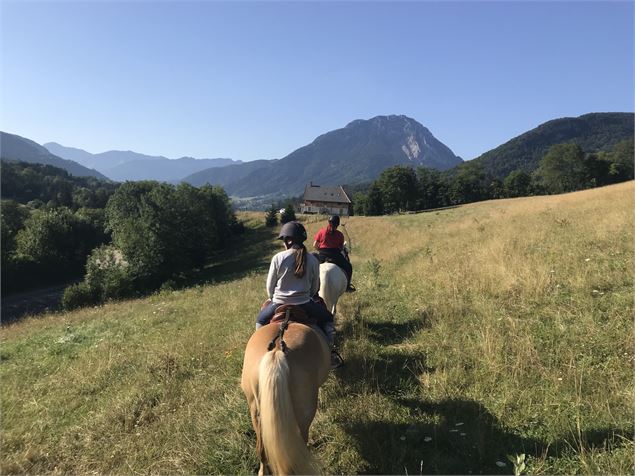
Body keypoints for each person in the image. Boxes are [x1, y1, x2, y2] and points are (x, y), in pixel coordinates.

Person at [256, 221, 335, 348]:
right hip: (304, 303)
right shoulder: (313, 260)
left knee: (260, 320)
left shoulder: (278, 258)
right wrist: (307, 296)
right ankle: (331, 350)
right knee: (328, 318)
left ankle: (259, 347)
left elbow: (270, 286)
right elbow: (314, 288)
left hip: (278, 302)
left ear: (288, 241)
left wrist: (272, 298)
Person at [313, 215, 355, 292]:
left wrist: (320, 250)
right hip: (335, 256)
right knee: (348, 266)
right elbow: (341, 248)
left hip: (322, 255)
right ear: (337, 225)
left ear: (329, 222)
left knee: (310, 264)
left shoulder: (321, 231)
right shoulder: (340, 235)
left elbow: (314, 245)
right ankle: (347, 286)